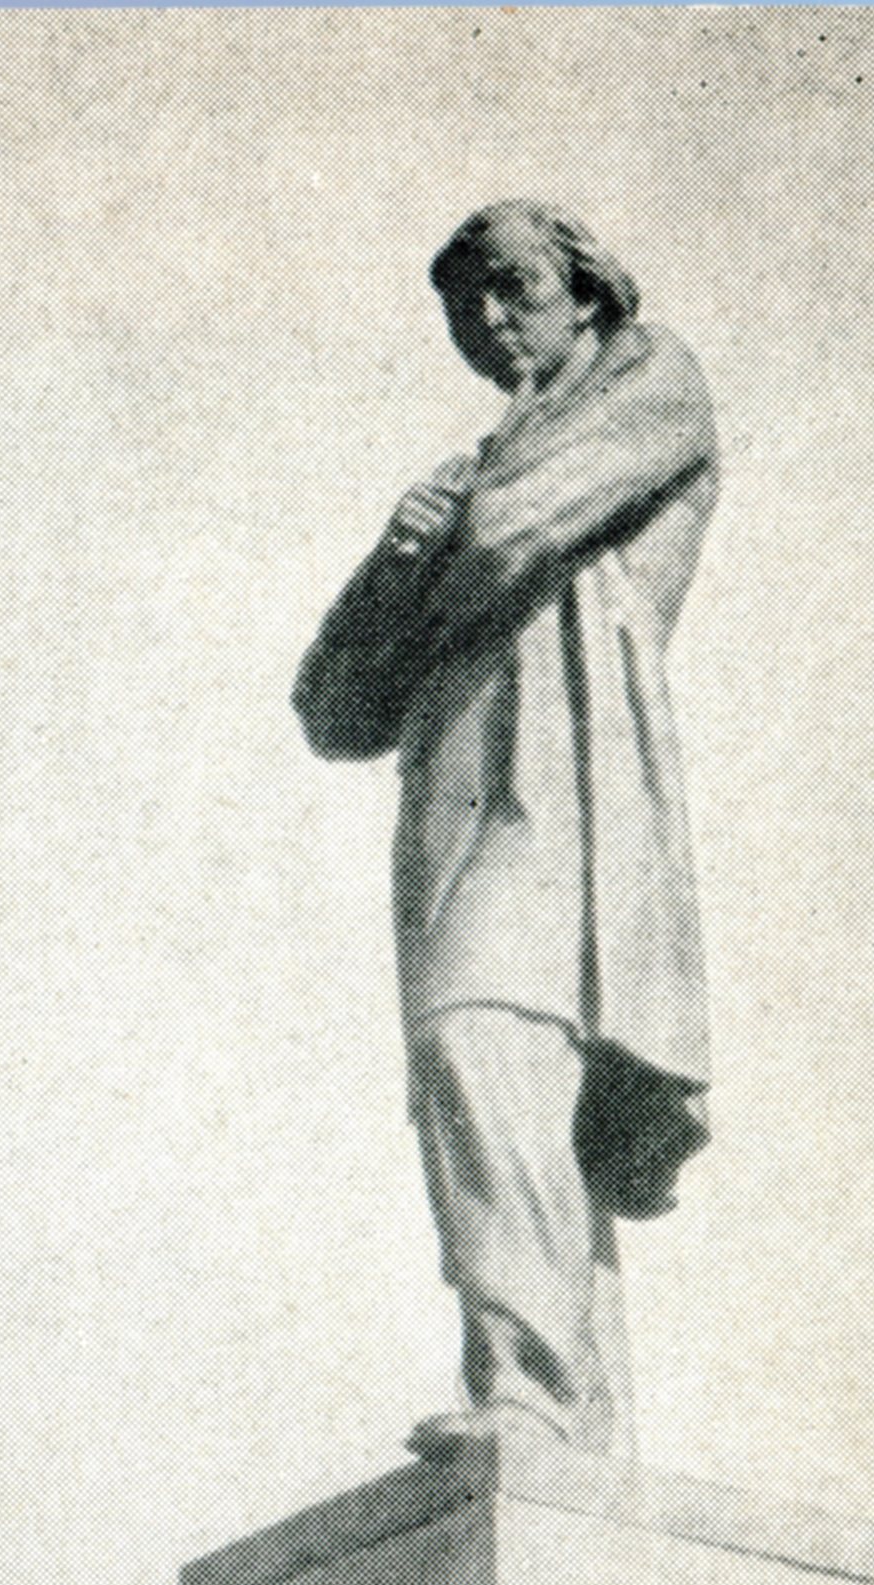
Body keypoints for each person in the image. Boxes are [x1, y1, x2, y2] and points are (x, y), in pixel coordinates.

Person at [295, 201, 717, 1462]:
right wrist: (388, 562)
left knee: (484, 1040)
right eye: (464, 303)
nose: (490, 317)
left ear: (582, 289)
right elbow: (333, 705)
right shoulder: (474, 471)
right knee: (487, 1080)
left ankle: (525, 1386)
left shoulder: (653, 377)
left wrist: (437, 550)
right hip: (456, 795)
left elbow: (505, 532)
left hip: (573, 788)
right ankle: (572, 1417)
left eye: (513, 285)